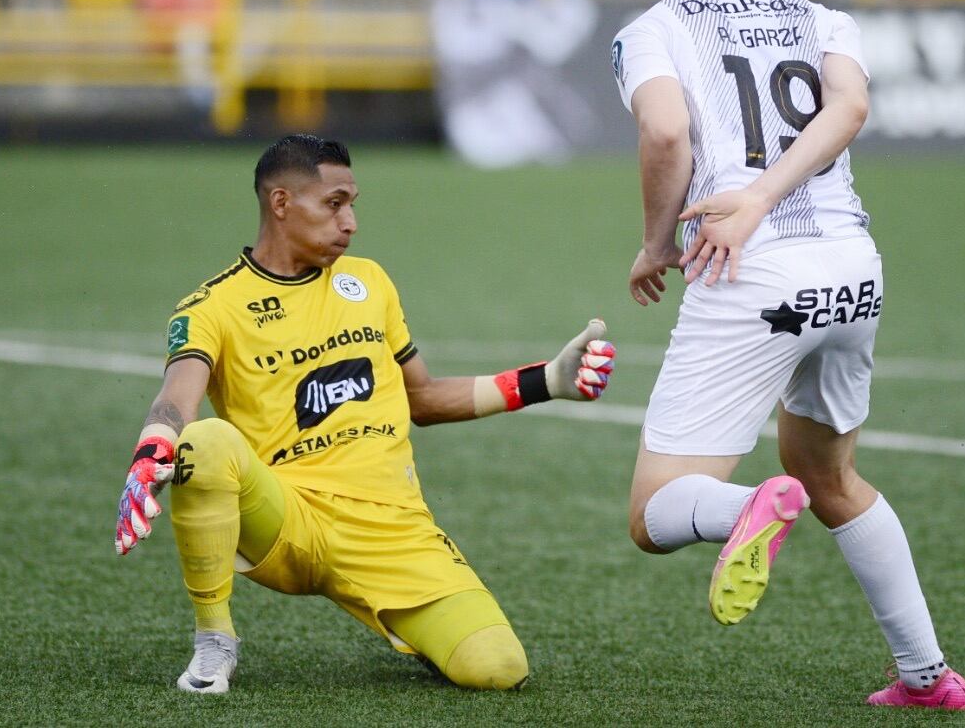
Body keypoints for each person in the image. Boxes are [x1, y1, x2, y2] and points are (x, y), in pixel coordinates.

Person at [611, 0, 965, 710]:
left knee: (655, 511)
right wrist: (773, 191)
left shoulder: (653, 29)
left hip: (752, 277)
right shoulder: (825, 18)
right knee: (830, 471)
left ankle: (751, 503)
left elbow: (667, 132)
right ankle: (928, 676)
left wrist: (656, 244)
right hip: (850, 269)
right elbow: (847, 111)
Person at [113, 135, 617, 694]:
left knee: (497, 668)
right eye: (334, 203)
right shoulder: (211, 306)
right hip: (288, 519)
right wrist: (151, 449)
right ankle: (214, 642)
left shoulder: (369, 282)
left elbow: (421, 398)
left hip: (391, 529)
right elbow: (176, 398)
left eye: (353, 203)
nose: (349, 221)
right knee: (205, 440)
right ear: (281, 203)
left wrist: (546, 381)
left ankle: (413, 627)